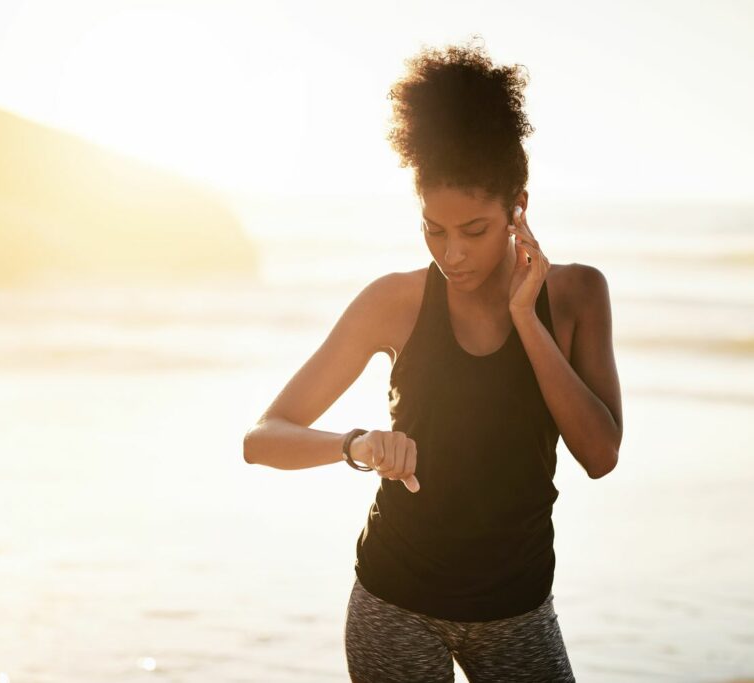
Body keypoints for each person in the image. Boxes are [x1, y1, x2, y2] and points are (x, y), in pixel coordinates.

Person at [243, 36, 623, 682]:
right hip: (396, 605)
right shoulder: (392, 302)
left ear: (517, 206)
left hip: (519, 612)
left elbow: (600, 454)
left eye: (473, 230)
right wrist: (357, 444)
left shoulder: (579, 294)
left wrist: (527, 319)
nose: (452, 254)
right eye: (433, 229)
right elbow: (263, 437)